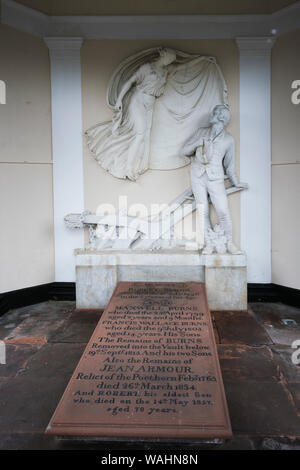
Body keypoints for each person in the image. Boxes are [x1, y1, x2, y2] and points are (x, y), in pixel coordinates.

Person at [85, 47, 177, 181]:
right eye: (170, 59)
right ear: (164, 56)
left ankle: (138, 166)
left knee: (145, 135)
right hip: (138, 99)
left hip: (150, 104)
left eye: (172, 60)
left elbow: (185, 66)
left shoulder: (164, 71)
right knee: (139, 134)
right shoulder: (147, 67)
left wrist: (201, 60)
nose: (170, 62)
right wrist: (119, 100)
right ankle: (128, 168)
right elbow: (130, 82)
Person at [183, 104, 248, 254]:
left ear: (221, 117)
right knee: (202, 210)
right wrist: (197, 144)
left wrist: (235, 182)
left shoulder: (228, 139)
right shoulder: (201, 132)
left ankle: (230, 243)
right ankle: (208, 243)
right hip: (197, 176)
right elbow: (184, 151)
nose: (212, 114)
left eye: (215, 112)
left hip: (215, 178)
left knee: (223, 211)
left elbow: (229, 165)